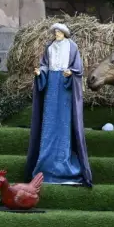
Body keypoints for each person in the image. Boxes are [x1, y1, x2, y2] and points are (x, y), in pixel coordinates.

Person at [25, 23, 92, 186]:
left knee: (63, 127)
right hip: (51, 89)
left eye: (59, 31)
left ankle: (64, 166)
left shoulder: (72, 47)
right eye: (55, 31)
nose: (56, 34)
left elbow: (78, 69)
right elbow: (45, 66)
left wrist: (71, 73)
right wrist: (40, 73)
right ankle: (45, 166)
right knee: (49, 125)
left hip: (65, 88)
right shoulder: (50, 47)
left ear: (64, 33)